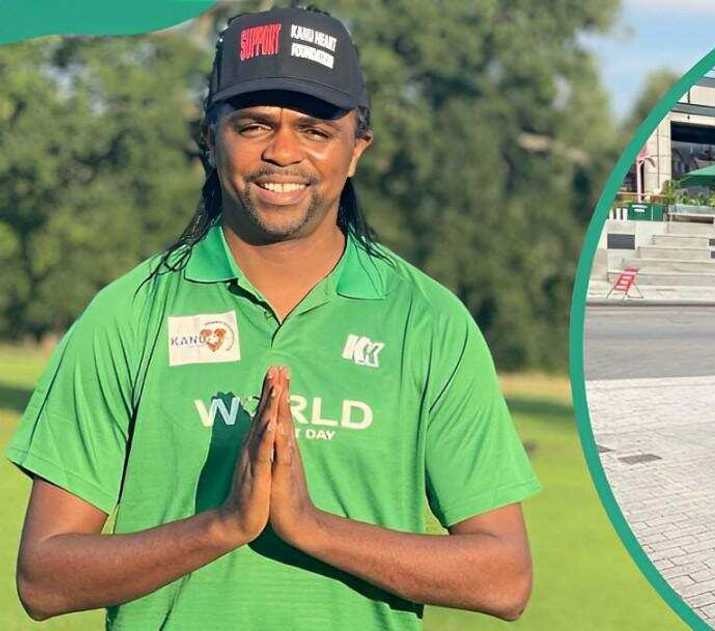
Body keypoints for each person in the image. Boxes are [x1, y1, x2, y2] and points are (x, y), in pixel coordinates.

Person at [6, 7, 540, 630]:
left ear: (356, 149)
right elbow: (43, 580)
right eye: (254, 125)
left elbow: (505, 579)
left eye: (314, 130)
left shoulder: (427, 321)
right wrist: (222, 526)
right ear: (210, 138)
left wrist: (311, 528)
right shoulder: (129, 314)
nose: (282, 152)